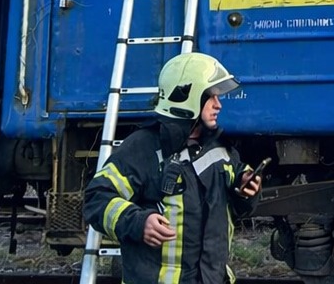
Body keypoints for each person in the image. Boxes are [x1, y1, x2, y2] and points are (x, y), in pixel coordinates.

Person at [84, 52, 263, 284]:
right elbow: (97, 200)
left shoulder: (221, 150)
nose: (218, 105)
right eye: (211, 97)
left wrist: (246, 188)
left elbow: (238, 207)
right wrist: (139, 222)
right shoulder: (142, 148)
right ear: (187, 96)